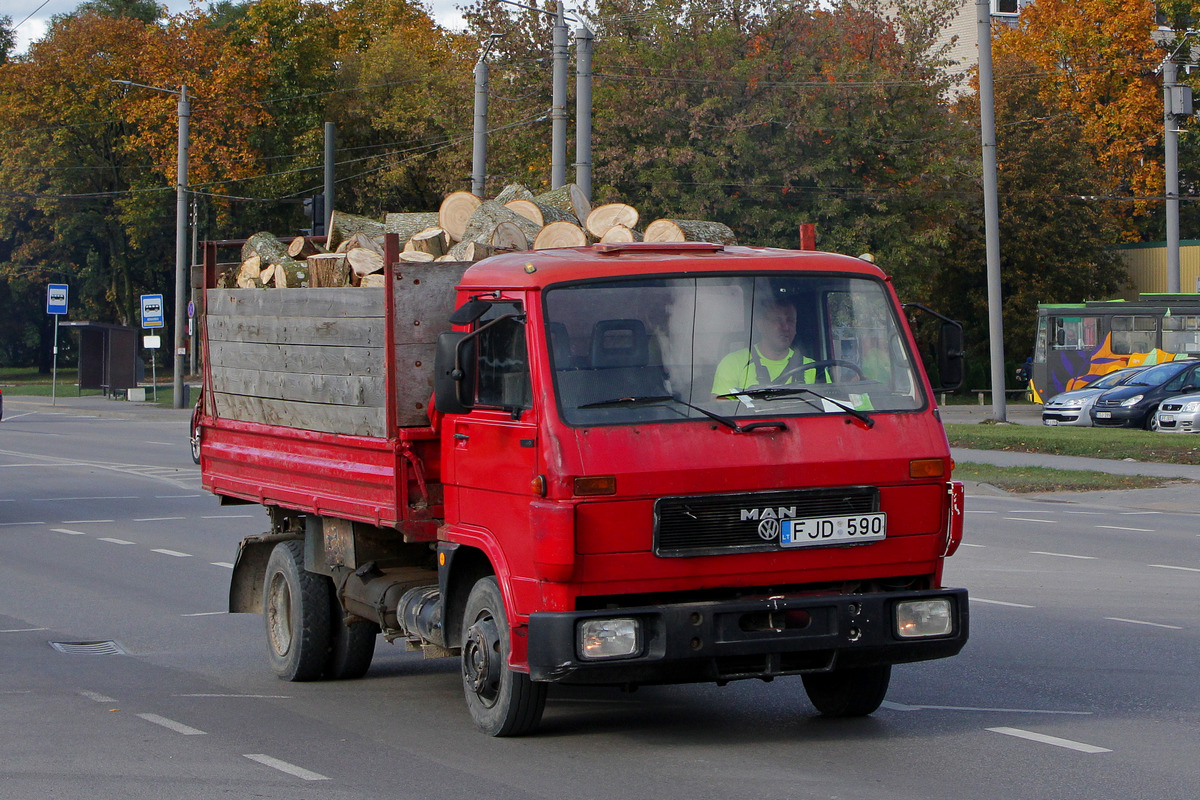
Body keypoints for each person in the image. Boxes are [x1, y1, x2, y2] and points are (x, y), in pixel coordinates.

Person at [711, 296, 821, 396]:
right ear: (761, 325)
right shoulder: (732, 363)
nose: (785, 327)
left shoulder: (812, 368)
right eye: (777, 320)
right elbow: (720, 409)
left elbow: (829, 406)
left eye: (790, 321)